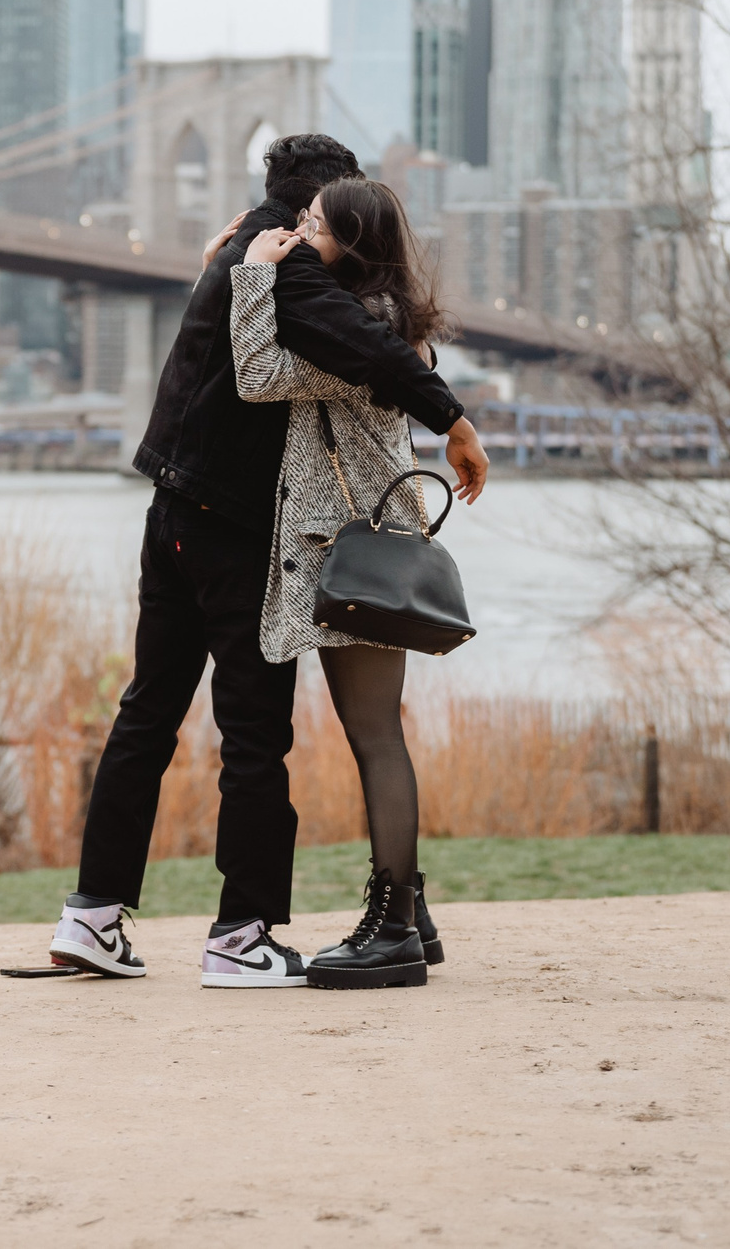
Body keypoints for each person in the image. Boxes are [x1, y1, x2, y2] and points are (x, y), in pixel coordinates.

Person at [48, 134, 488, 987]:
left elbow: (374, 349)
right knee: (255, 733)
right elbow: (268, 371)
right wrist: (454, 418)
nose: (306, 230)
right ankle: (241, 934)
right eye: (315, 212)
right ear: (308, 206)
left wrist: (245, 258)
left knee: (148, 714)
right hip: (232, 528)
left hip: (173, 508)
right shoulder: (283, 263)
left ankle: (93, 915)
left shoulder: (263, 252)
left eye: (322, 221)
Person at [233, 178, 471, 989]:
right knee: (379, 731)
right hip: (364, 543)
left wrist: (253, 274)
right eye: (296, 221)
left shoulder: (356, 339)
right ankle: (414, 912)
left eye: (314, 227)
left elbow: (259, 374)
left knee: (375, 736)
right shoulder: (380, 325)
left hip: (355, 550)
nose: (298, 234)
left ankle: (394, 924)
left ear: (354, 246)